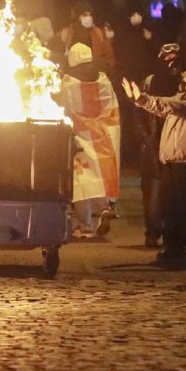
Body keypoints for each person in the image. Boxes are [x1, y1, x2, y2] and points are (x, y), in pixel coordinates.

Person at [122, 65, 186, 268]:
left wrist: (145, 97)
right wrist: (139, 99)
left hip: (184, 159)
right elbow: (161, 107)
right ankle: (174, 249)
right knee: (168, 207)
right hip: (170, 159)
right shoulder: (180, 98)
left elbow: (170, 105)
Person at [59, 43, 120, 238]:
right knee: (101, 176)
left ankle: (84, 225)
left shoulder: (68, 83)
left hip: (80, 137)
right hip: (103, 136)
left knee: (81, 181)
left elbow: (64, 108)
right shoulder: (104, 80)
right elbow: (112, 106)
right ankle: (104, 208)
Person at [136, 42, 183, 247]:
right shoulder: (149, 81)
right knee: (153, 191)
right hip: (154, 142)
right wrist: (144, 137)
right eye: (166, 58)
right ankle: (153, 232)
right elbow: (138, 111)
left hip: (176, 142)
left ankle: (174, 235)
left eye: (174, 57)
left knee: (176, 192)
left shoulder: (184, 81)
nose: (170, 61)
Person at [50, 1, 115, 73]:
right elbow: (56, 54)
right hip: (74, 75)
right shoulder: (65, 33)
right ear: (77, 16)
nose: (89, 17)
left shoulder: (99, 33)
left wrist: (103, 66)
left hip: (95, 74)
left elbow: (109, 56)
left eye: (90, 15)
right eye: (84, 15)